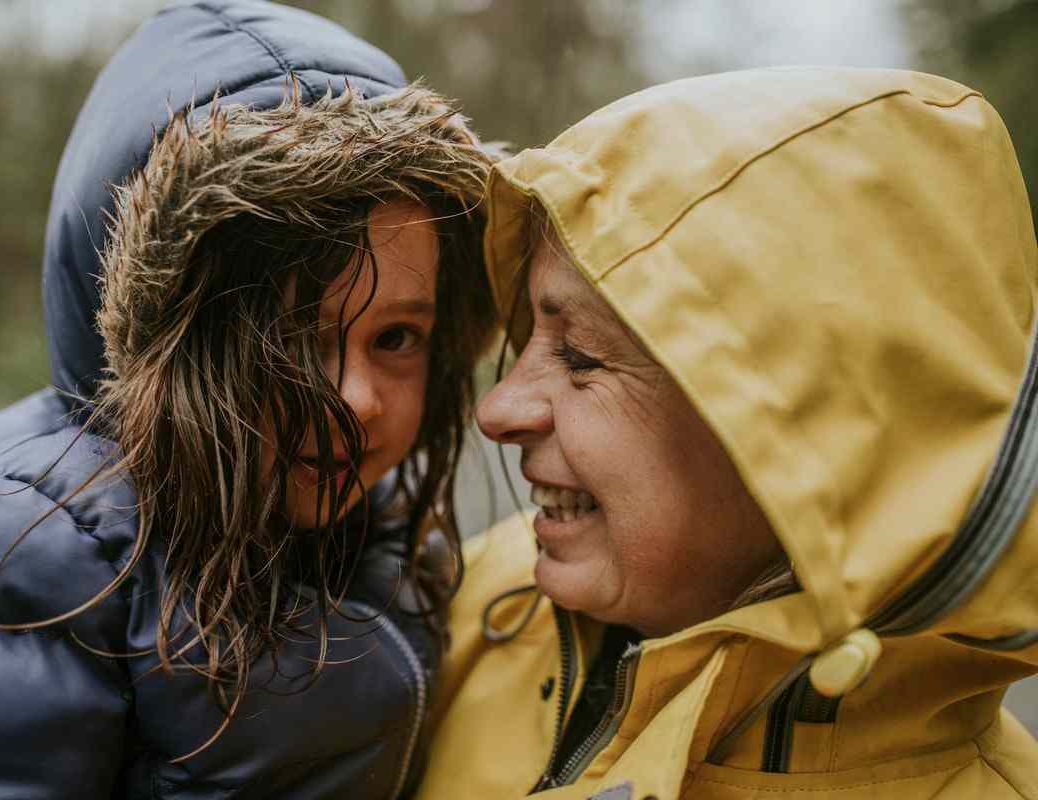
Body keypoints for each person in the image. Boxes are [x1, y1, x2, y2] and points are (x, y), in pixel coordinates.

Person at [0, 3, 496, 797]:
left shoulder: (374, 536)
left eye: (395, 338)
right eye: (287, 339)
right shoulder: (18, 558)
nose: (355, 398)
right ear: (162, 334)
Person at [416, 66, 1038, 799]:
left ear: (811, 431)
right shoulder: (447, 602)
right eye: (527, 338)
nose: (499, 410)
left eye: (580, 356)